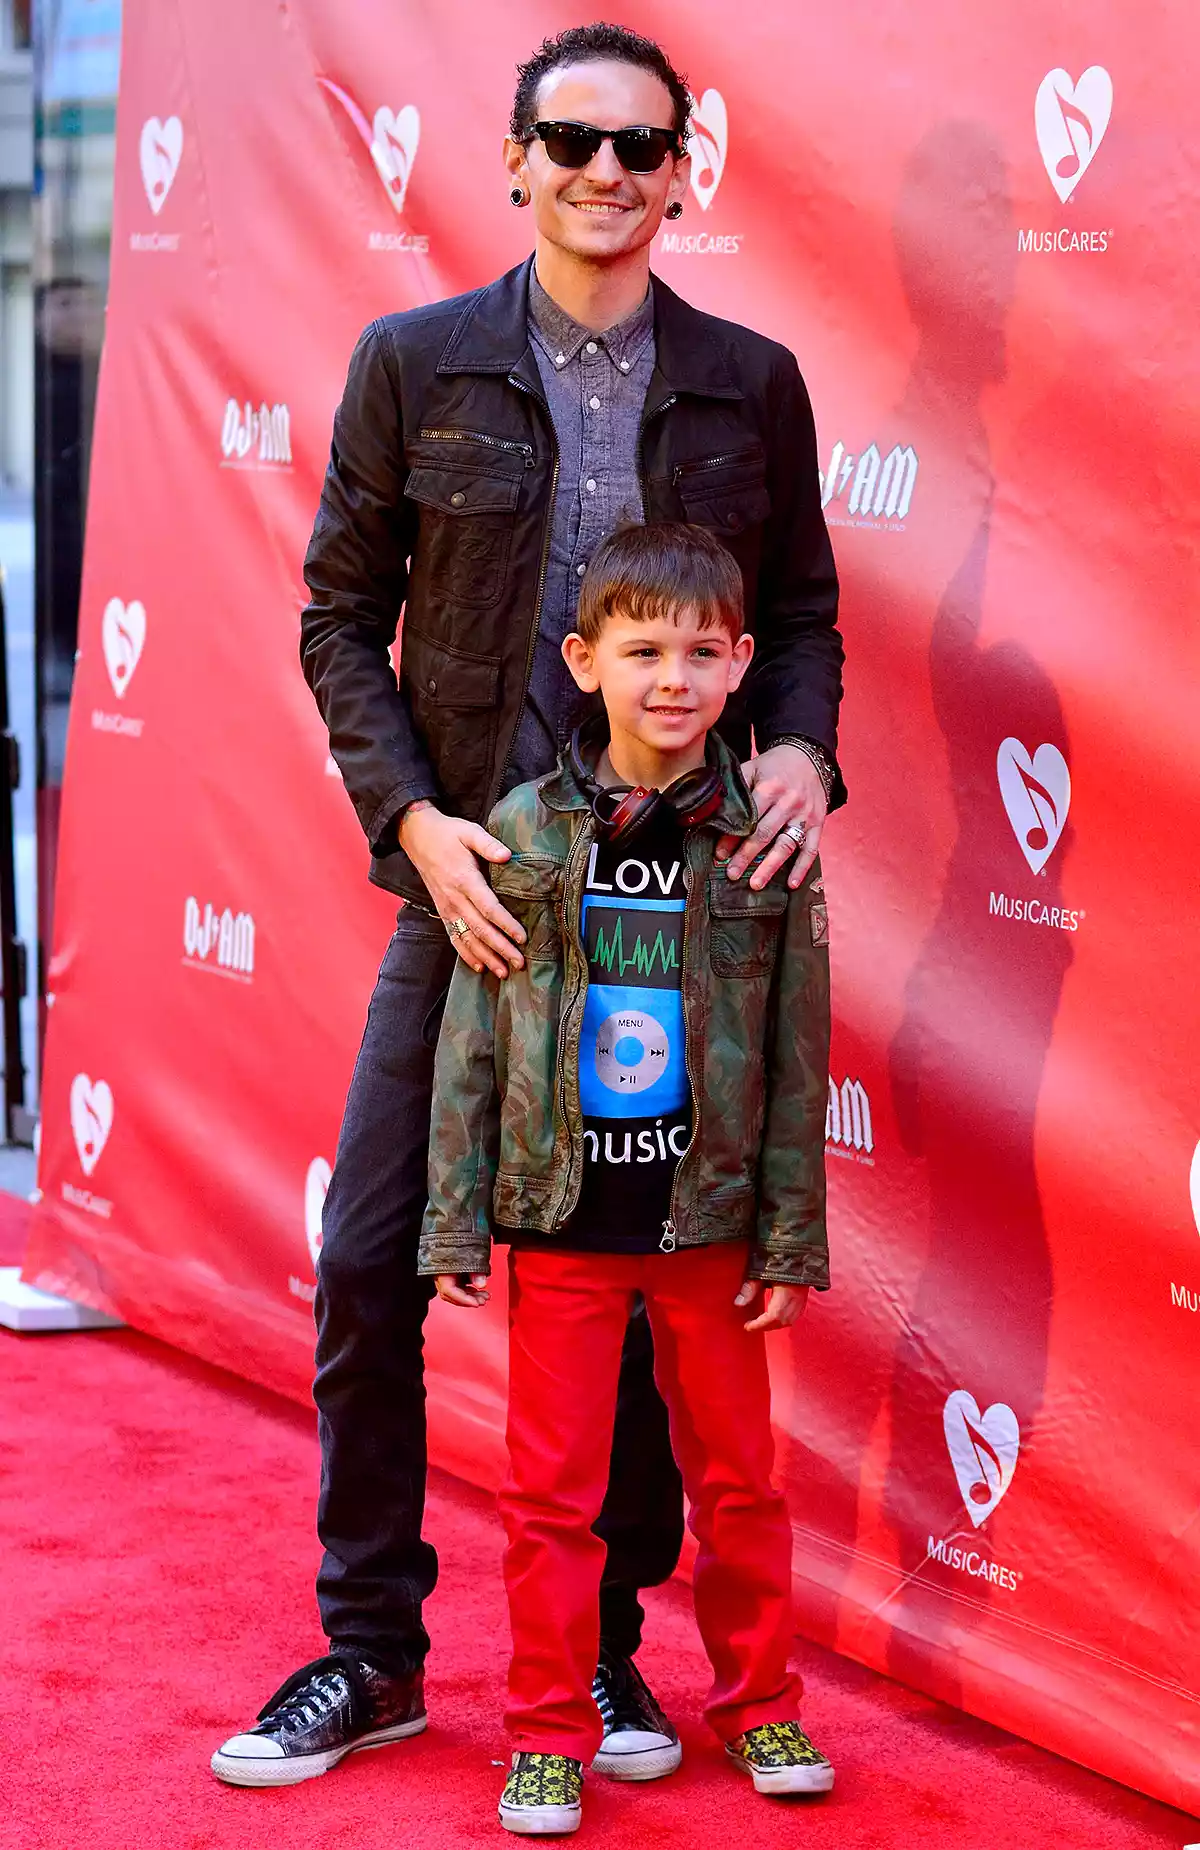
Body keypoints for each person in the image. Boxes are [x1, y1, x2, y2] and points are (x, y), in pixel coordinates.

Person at [211, 21, 842, 1789]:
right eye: (571, 139)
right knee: (368, 1257)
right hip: (482, 890)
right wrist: (414, 823)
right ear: (514, 160)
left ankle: (613, 1661)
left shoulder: (750, 379)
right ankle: (371, 1648)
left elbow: (798, 617)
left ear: (680, 173)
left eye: (643, 147)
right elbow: (340, 618)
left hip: (680, 901)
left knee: (642, 1266)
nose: (606, 172)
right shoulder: (414, 364)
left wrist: (798, 755)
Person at [421, 521, 834, 1836]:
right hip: (565, 1221)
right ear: (584, 659)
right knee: (549, 1492)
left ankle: (760, 1698)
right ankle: (546, 1728)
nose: (673, 677)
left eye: (702, 652)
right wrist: (454, 1212)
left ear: (742, 664)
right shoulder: (527, 830)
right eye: (643, 649)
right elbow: (474, 1038)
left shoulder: (763, 842)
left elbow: (792, 1052)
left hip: (709, 1225)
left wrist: (786, 1234)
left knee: (742, 1481)